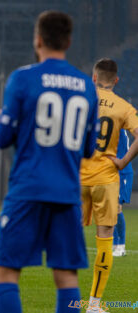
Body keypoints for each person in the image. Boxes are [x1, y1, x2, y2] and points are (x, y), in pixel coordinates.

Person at [0, 11, 99, 313]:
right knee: (66, 276)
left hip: (28, 189)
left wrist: (2, 122)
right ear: (69, 41)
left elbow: (2, 139)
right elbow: (90, 149)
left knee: (6, 271)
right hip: (67, 193)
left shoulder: (23, 78)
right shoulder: (86, 85)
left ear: (38, 40)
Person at [80, 58, 138, 313]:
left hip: (77, 177)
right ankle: (94, 304)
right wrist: (123, 160)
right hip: (106, 179)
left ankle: (65, 296)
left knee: (65, 232)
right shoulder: (124, 107)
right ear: (115, 80)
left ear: (93, 78)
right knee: (105, 238)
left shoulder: (80, 100)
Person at [113, 129, 133, 257]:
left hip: (123, 171)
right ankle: (114, 244)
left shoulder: (118, 128)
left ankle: (121, 246)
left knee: (117, 208)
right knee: (109, 210)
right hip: (111, 171)